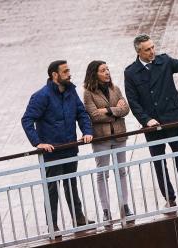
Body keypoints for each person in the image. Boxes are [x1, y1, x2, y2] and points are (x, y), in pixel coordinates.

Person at [124, 34, 178, 207]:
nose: (152, 52)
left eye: (153, 47)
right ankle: (170, 199)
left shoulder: (163, 61)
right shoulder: (131, 72)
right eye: (147, 49)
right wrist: (146, 120)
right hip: (153, 126)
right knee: (159, 163)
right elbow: (133, 101)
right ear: (139, 51)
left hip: (173, 119)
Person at [21, 60, 94, 229]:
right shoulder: (42, 95)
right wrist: (38, 143)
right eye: (65, 71)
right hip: (52, 152)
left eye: (69, 70)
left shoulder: (71, 91)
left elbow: (81, 113)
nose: (69, 74)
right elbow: (27, 120)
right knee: (52, 189)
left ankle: (79, 218)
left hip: (69, 148)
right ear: (55, 75)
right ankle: (52, 224)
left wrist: (87, 131)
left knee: (71, 184)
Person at [83, 60, 133, 222]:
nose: (107, 73)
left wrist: (108, 110)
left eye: (108, 69)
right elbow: (93, 115)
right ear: (94, 74)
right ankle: (106, 210)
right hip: (101, 139)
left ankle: (125, 206)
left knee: (122, 171)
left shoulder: (115, 89)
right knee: (102, 174)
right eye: (103, 70)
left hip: (119, 136)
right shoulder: (88, 93)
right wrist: (115, 111)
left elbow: (126, 109)